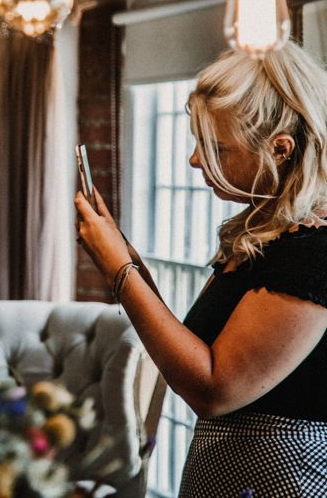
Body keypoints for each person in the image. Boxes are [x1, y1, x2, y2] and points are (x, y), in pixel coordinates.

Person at [75, 42, 327, 497]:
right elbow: (191, 346)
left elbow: (213, 388)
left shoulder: (314, 251)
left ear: (280, 148)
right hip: (228, 470)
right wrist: (124, 256)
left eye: (217, 146)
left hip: (278, 479)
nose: (195, 159)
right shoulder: (267, 233)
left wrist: (118, 272)